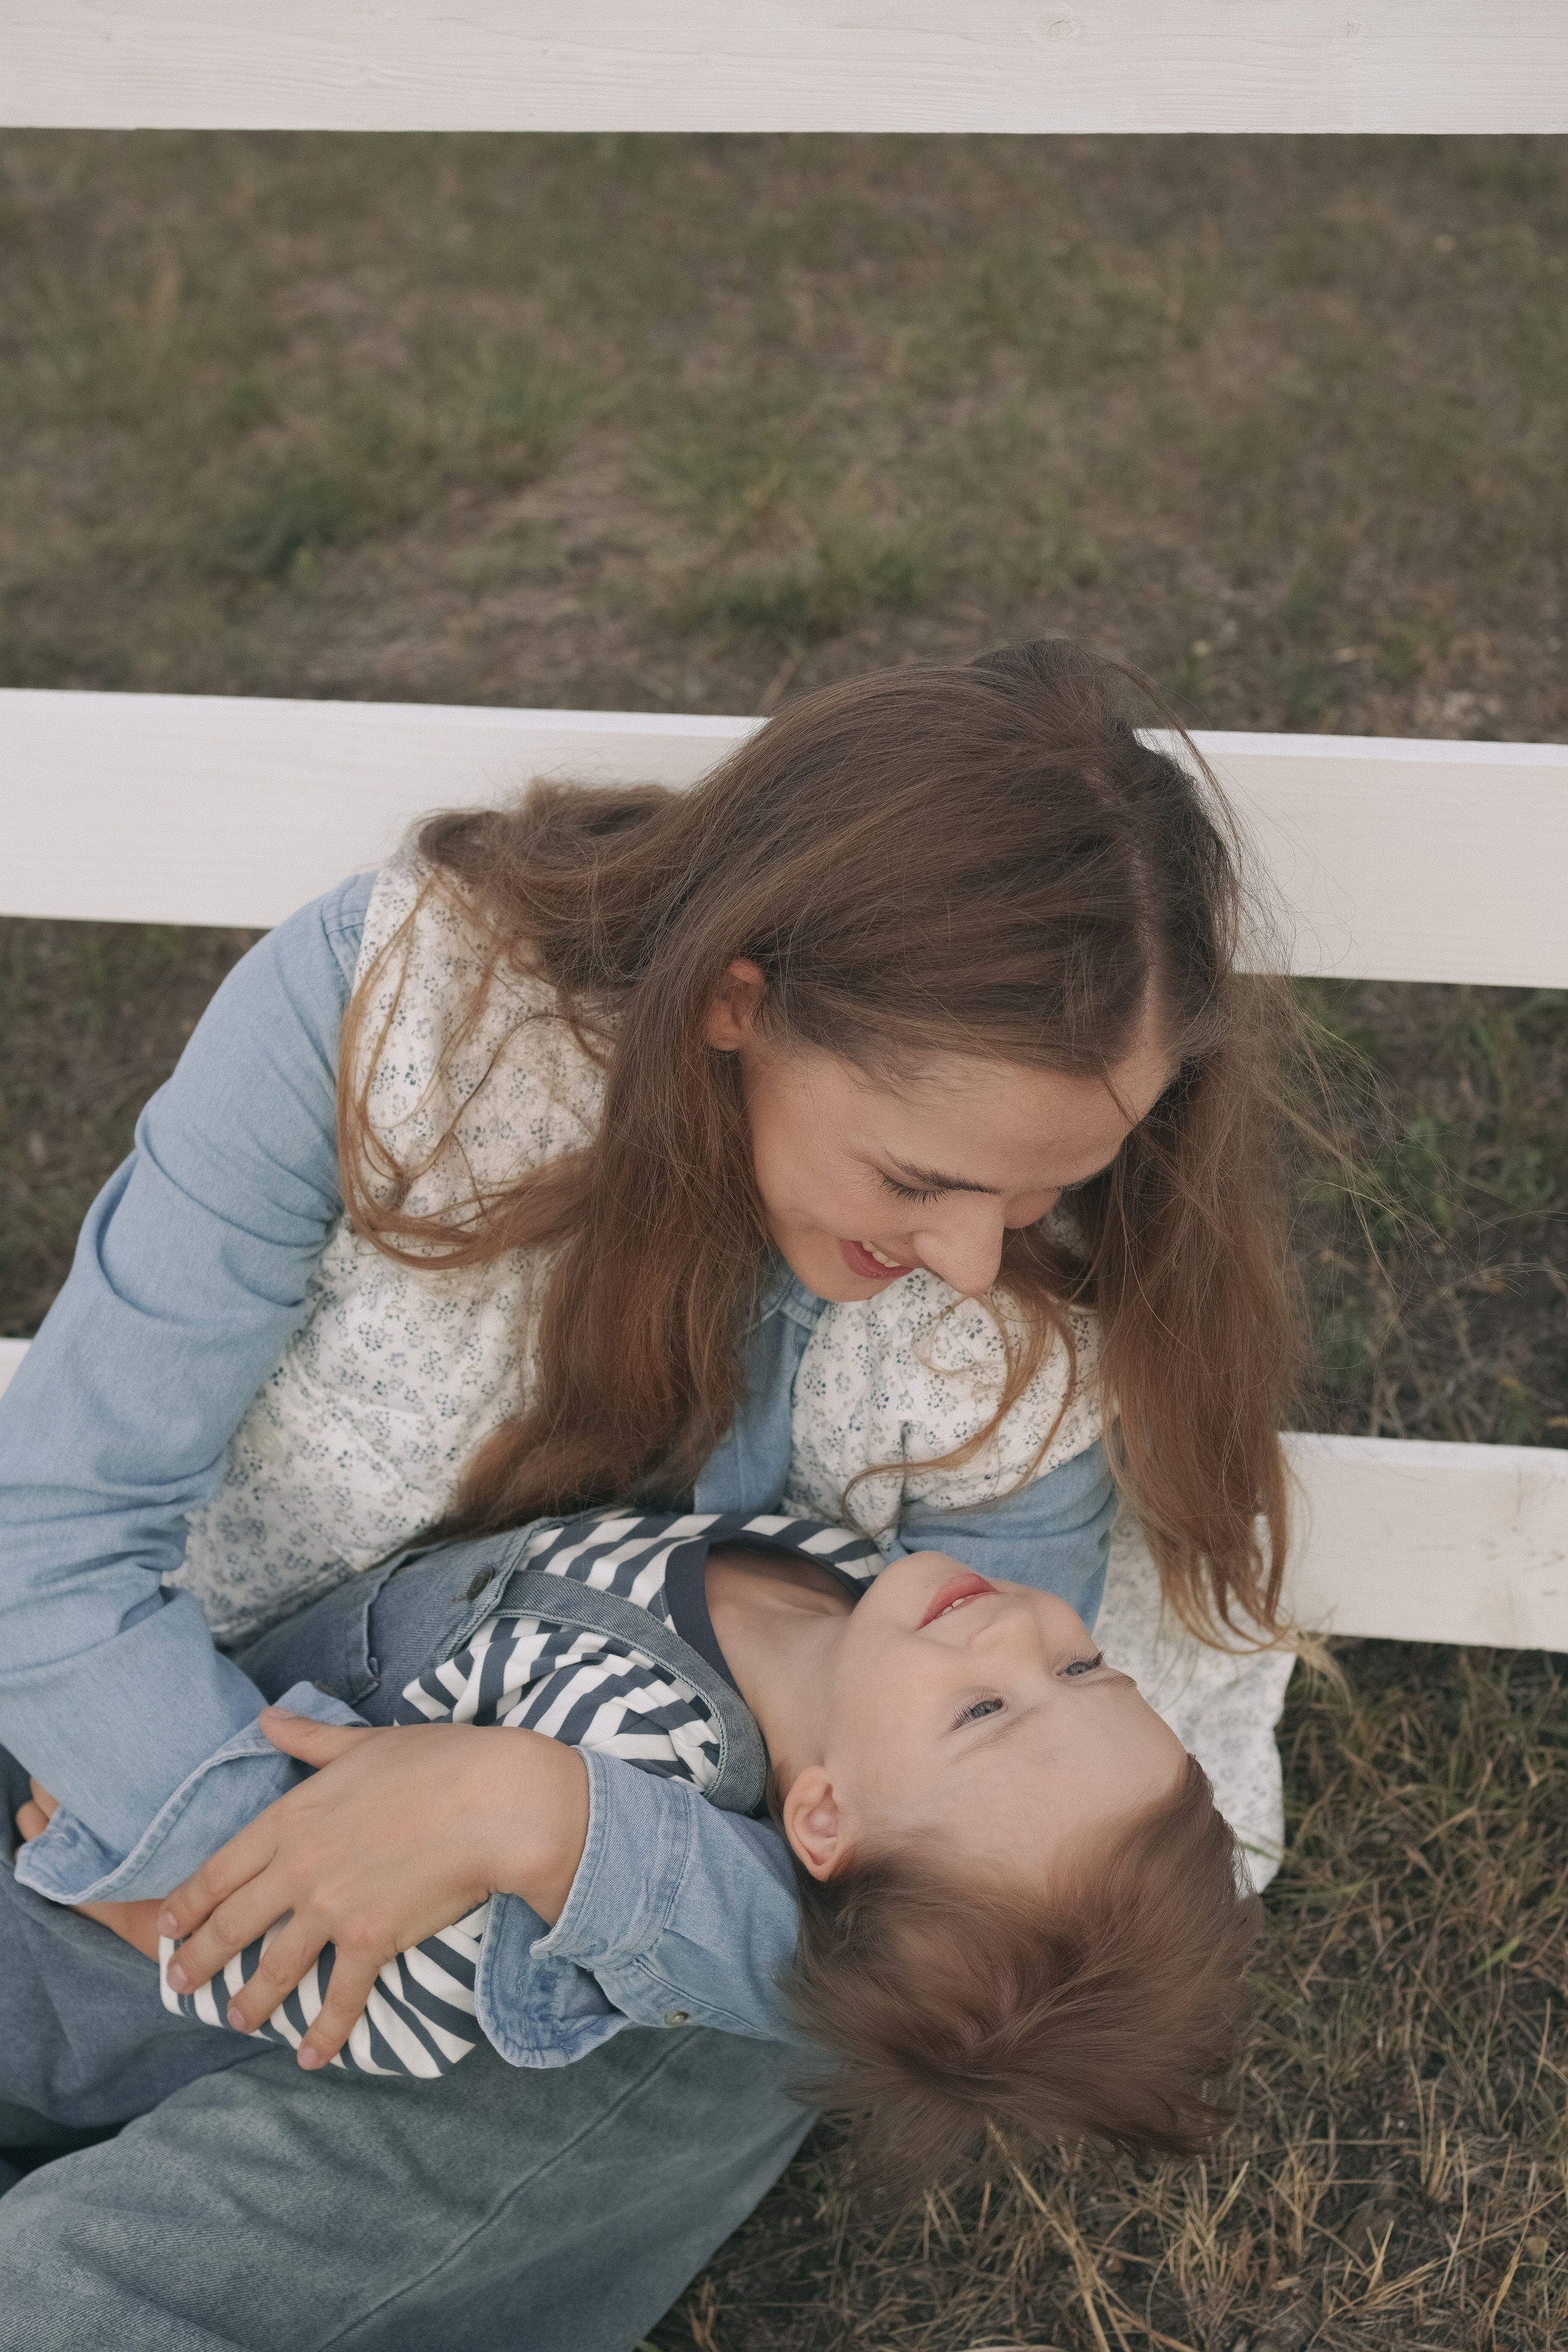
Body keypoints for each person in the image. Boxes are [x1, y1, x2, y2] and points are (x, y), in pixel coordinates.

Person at [0, 641, 1302, 2348]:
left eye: (1050, 1186)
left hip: (534, 1983)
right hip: (124, 1762)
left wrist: (547, 1825)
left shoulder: (1003, 1342)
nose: (976, 1261)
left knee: (727, 2027)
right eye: (918, 1177)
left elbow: (968, 1929)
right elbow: (52, 1542)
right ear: (736, 1001)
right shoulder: (401, 1028)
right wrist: (219, 1858)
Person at [17, 1501, 1253, 2203]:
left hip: (76, 1958)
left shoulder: (638, 1752)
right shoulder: (835, 1584)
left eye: (980, 1713)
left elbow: (377, 2006)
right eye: (1083, 1667)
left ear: (820, 1823)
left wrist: (142, 1894)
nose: (1014, 1634)